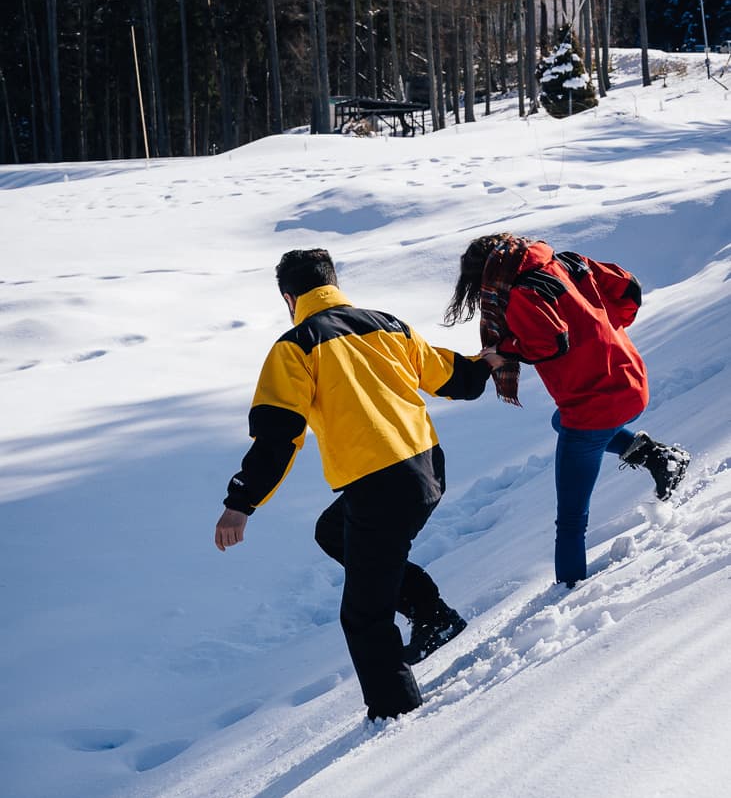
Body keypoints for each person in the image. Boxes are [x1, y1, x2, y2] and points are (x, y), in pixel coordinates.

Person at [215, 248, 492, 721]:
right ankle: (432, 615)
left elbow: (279, 436)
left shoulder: (295, 346)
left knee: (364, 615)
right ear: (333, 283)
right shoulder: (388, 324)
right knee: (333, 531)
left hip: (380, 486)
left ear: (289, 298)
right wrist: (484, 363)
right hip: (427, 468)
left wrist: (240, 502)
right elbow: (452, 378)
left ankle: (395, 714)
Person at [444, 233, 690, 589]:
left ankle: (568, 593)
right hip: (632, 384)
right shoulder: (569, 262)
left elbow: (550, 342)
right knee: (559, 420)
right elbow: (629, 290)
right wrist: (602, 329)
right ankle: (657, 457)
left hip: (592, 409)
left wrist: (505, 351)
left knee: (571, 520)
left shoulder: (523, 292)